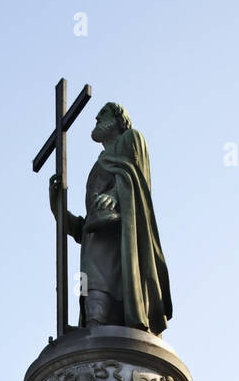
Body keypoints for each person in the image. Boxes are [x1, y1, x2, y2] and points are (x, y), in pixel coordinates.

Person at [50, 102, 172, 334]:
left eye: (104, 113)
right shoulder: (99, 163)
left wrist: (116, 195)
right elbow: (83, 228)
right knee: (92, 295)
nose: (96, 117)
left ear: (119, 119)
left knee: (106, 288)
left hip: (122, 239)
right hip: (94, 245)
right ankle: (91, 338)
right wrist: (57, 208)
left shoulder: (131, 139)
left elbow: (138, 179)